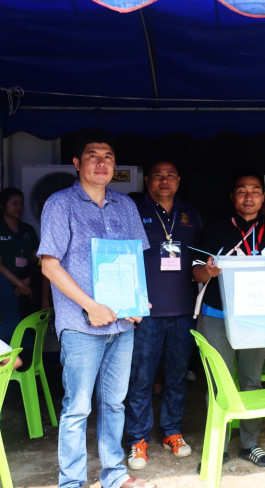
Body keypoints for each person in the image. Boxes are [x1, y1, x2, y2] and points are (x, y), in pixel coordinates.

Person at [38, 131, 156, 488]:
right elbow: (49, 265)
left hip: (122, 325)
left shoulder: (126, 206)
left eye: (108, 156)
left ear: (115, 165)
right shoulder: (60, 204)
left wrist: (138, 300)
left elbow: (134, 259)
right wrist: (91, 306)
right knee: (77, 407)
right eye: (93, 155)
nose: (101, 162)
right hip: (80, 324)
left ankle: (113, 474)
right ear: (77, 163)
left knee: (114, 404)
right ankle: (72, 481)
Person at [192, 172, 265, 468]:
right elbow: (195, 273)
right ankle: (217, 446)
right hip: (216, 314)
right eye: (242, 191)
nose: (249, 197)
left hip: (255, 319)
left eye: (255, 191)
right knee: (217, 384)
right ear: (232, 196)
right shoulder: (214, 229)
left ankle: (249, 443)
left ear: (263, 197)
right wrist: (208, 271)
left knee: (251, 381)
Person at [125, 160, 203, 470]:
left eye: (170, 175)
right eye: (158, 175)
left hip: (183, 310)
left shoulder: (190, 213)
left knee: (177, 377)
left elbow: (200, 260)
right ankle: (138, 439)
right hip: (145, 312)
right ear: (147, 180)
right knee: (141, 379)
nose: (164, 180)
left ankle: (172, 431)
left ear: (179, 180)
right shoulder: (133, 210)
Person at [0, 187, 49, 319]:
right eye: (14, 203)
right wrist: (20, 285)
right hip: (6, 281)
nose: (19, 207)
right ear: (2, 205)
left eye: (21, 204)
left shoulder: (27, 229)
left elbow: (36, 255)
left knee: (47, 265)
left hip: (28, 280)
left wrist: (26, 282)